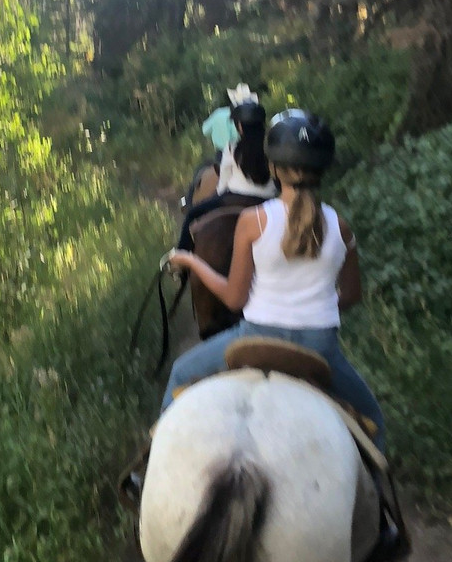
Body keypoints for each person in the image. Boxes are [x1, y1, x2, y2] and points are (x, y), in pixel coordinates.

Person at [163, 109, 408, 559]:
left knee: (181, 372)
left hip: (254, 338)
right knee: (374, 423)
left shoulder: (254, 222)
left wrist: (193, 262)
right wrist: (313, 307)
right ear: (322, 169)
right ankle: (384, 519)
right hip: (320, 350)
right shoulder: (342, 227)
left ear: (274, 168)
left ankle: (147, 475)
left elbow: (234, 299)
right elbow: (350, 295)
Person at [174, 91, 276, 253]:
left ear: (240, 126)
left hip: (233, 198)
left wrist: (218, 196)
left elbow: (223, 182)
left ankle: (180, 260)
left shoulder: (232, 147)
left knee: (192, 213)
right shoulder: (272, 149)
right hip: (268, 201)